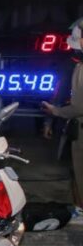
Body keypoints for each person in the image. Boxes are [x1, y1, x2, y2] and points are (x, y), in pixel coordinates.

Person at [42, 17, 83, 215]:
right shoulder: (72, 66)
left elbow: (76, 107)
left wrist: (53, 113)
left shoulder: (78, 69)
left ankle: (80, 210)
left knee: (78, 172)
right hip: (73, 127)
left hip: (79, 129)